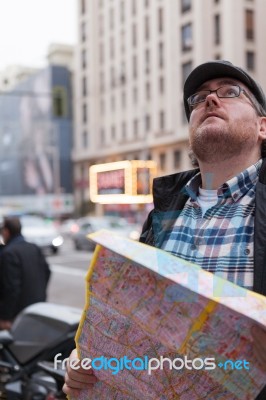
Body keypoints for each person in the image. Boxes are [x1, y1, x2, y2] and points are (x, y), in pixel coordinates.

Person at [63, 60, 266, 399]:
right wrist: (88, 359)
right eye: (198, 98)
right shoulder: (164, 211)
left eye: (230, 92)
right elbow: (133, 321)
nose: (209, 101)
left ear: (263, 127)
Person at [0, 217, 51, 329]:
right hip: (38, 307)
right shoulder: (34, 247)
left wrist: (5, 317)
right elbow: (47, 272)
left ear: (6, 232)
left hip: (17, 315)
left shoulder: (8, 253)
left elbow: (11, 288)